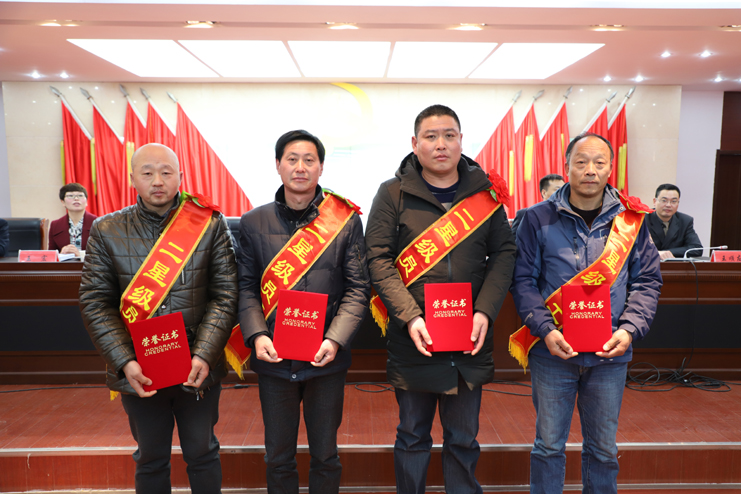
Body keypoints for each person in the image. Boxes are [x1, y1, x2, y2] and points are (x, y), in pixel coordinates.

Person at [365, 104, 516, 494]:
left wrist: (485, 311)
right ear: (415, 144)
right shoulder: (392, 193)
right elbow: (377, 259)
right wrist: (410, 316)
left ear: (461, 140)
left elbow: (504, 253)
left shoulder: (485, 193)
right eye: (430, 137)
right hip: (414, 337)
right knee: (412, 435)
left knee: (464, 438)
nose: (441, 144)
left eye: (449, 135)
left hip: (469, 338)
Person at [79, 143, 237, 494]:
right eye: (147, 172)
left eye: (166, 172)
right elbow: (95, 303)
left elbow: (226, 295)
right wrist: (125, 361)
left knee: (203, 453)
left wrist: (204, 354)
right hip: (140, 369)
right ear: (132, 178)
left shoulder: (209, 224)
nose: (158, 181)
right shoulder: (106, 230)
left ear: (180, 175)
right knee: (150, 458)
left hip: (197, 367)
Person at [510, 132, 662, 494]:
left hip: (610, 352)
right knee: (548, 446)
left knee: (604, 449)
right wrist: (546, 329)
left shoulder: (632, 221)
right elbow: (522, 281)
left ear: (610, 168)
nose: (589, 170)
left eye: (598, 163)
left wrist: (629, 329)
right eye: (581, 162)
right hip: (552, 351)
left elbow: (647, 281)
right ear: (566, 167)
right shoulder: (535, 218)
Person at [237, 130, 369, 494]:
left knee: (325, 455)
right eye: (292, 159)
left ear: (321, 167)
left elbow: (358, 288)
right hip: (274, 358)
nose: (300, 167)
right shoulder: (252, 222)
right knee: (278, 457)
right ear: (278, 165)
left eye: (309, 160)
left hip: (325, 359)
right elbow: (245, 287)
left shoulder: (345, 220)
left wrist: (334, 339)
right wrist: (257, 335)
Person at [647, 183, 702, 259]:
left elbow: (696, 249)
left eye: (673, 201)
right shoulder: (642, 220)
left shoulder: (685, 221)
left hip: (674, 265)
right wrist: (655, 253)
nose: (668, 205)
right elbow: (633, 248)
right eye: (664, 200)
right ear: (654, 201)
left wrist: (667, 253)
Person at [511, 173, 565, 244]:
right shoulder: (525, 214)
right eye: (557, 190)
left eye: (564, 190)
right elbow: (513, 243)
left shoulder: (567, 216)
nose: (562, 193)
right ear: (544, 193)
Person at [48, 183, 97, 255]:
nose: (76, 198)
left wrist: (81, 255)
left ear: (86, 201)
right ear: (63, 202)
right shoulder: (55, 225)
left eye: (80, 195)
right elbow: (51, 255)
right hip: (65, 262)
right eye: (70, 196)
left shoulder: (98, 223)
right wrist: (61, 254)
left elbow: (105, 254)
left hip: (90, 262)